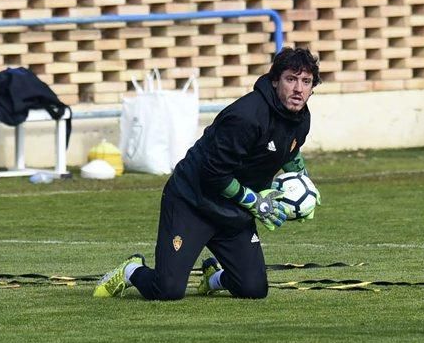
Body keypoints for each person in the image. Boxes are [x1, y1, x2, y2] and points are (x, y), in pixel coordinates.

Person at [94, 47, 321, 301]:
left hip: (234, 213)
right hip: (193, 202)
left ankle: (212, 277)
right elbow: (214, 174)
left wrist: (304, 184)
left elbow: (289, 151)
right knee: (167, 291)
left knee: (253, 289)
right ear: (275, 80)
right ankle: (132, 270)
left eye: (306, 81)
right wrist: (256, 202)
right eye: (291, 79)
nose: (299, 89)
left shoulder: (301, 118)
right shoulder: (246, 116)